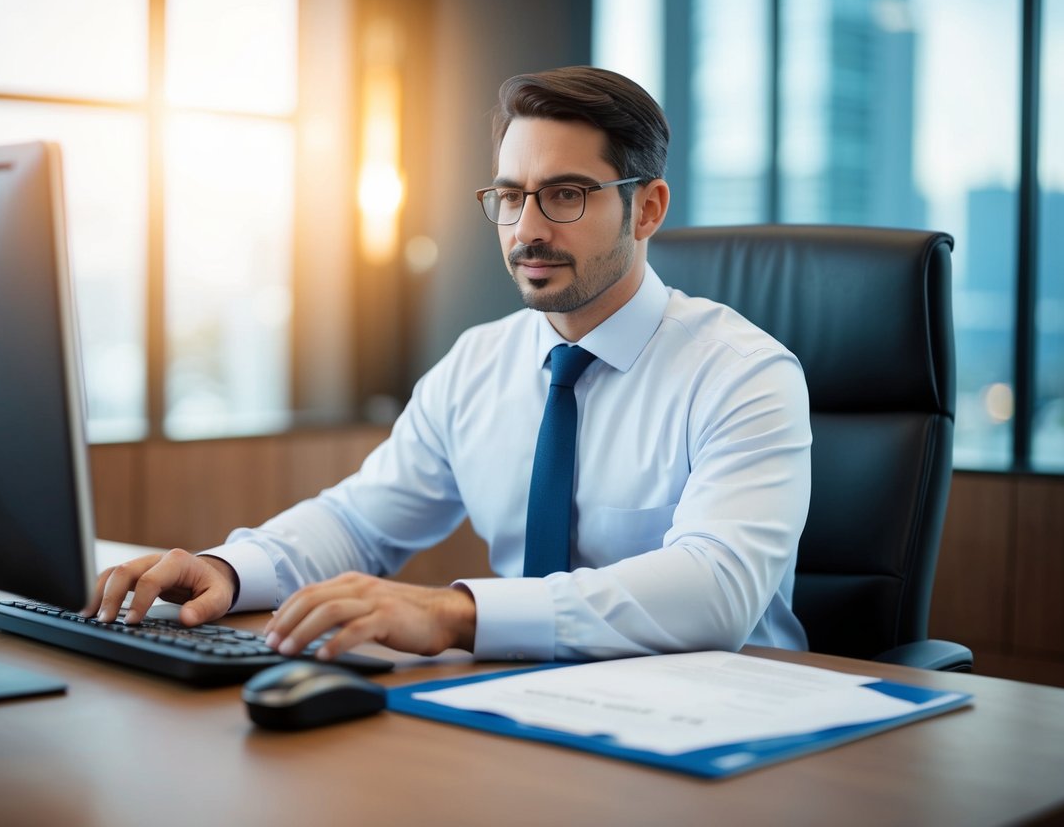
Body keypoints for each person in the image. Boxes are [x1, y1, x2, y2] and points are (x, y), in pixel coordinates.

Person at [85, 65, 812, 664]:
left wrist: (457, 612)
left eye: (563, 195)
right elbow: (359, 523)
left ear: (646, 209)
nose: (526, 229)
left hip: (727, 716)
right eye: (509, 196)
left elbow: (716, 590)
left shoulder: (743, 373)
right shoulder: (480, 362)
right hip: (523, 700)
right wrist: (229, 570)